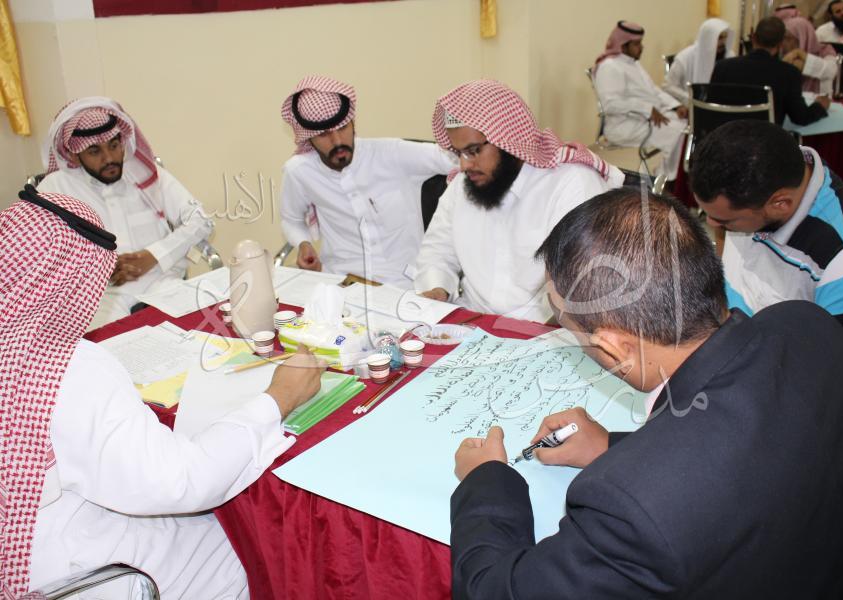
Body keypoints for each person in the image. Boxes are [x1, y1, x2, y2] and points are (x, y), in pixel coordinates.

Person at [450, 188, 843, 598]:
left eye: (568, 326)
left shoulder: (631, 508)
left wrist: (485, 480)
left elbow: (495, 591)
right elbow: (749, 451)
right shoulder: (808, 326)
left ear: (614, 347)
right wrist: (611, 446)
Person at [0, 188, 325, 599]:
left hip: (40, 534)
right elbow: (180, 483)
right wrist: (278, 398)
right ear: (69, 284)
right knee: (253, 544)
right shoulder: (68, 368)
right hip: (72, 571)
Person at [690, 120, 843, 411]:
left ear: (780, 204)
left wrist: (761, 376)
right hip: (744, 357)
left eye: (725, 222)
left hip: (795, 402)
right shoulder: (775, 172)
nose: (712, 225)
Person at [414, 79, 623, 322]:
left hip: (544, 330)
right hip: (470, 321)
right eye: (458, 153)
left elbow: (581, 287)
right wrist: (438, 288)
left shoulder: (571, 184)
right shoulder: (464, 185)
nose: (464, 165)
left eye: (473, 151)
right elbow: (437, 251)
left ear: (508, 140)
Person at [38, 97, 214, 330]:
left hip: (161, 283)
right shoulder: (55, 189)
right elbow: (39, 257)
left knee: (207, 329)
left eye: (114, 145)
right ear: (73, 155)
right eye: (94, 151)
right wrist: (99, 269)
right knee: (105, 345)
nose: (109, 158)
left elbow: (201, 220)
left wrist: (153, 256)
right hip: (100, 297)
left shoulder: (145, 172)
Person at [279, 76, 456, 288]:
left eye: (343, 128)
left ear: (353, 122)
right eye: (324, 134)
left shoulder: (392, 154)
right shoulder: (300, 171)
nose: (337, 141)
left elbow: (458, 160)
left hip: (405, 285)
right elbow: (291, 219)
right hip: (340, 283)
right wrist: (303, 243)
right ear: (309, 139)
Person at [592, 20, 687, 182]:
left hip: (644, 119)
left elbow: (654, 91)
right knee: (678, 132)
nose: (641, 47)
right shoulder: (609, 67)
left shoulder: (632, 64)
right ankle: (667, 181)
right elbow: (610, 104)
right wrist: (647, 109)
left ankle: (671, 176)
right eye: (636, 44)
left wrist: (676, 106)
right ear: (623, 45)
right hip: (624, 125)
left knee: (686, 125)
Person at [712, 16, 830, 125]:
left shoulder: (722, 67)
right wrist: (820, 106)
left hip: (725, 137)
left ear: (753, 38)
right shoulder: (789, 73)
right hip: (765, 139)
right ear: (780, 44)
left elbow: (711, 108)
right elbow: (801, 117)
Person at [663, 18, 736, 104]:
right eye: (719, 38)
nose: (723, 42)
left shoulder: (729, 56)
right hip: (690, 106)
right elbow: (668, 86)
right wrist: (690, 98)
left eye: (725, 37)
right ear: (708, 38)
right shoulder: (685, 57)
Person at [782, 16, 839, 95]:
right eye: (782, 38)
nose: (783, 43)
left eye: (788, 38)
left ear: (802, 38)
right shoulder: (782, 54)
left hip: (819, 100)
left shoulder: (825, 50)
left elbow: (830, 71)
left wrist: (801, 55)